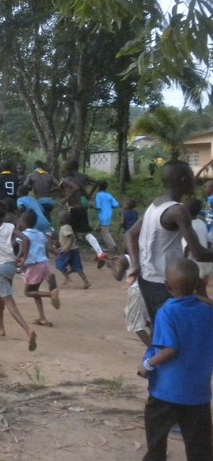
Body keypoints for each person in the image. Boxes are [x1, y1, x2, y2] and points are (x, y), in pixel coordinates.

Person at [137, 258, 213, 461]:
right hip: (198, 394)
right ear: (200, 283)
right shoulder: (207, 312)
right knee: (200, 448)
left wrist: (146, 365)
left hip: (166, 392)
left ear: (166, 285)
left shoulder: (168, 311)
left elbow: (169, 349)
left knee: (156, 442)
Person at [125, 159, 213, 326]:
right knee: (175, 330)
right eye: (192, 177)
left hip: (147, 280)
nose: (195, 182)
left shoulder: (156, 205)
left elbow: (130, 234)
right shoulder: (178, 210)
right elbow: (199, 253)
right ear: (183, 180)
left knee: (162, 329)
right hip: (166, 283)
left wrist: (136, 265)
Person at [0, 201, 38, 351]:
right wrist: (24, 258)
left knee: (9, 301)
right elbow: (26, 239)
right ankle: (0, 327)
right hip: (10, 266)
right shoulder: (10, 227)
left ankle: (28, 330)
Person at [59, 159, 107, 268]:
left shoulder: (66, 179)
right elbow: (86, 191)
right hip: (81, 207)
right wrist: (88, 195)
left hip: (74, 208)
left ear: (66, 168)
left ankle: (67, 257)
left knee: (66, 231)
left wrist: (65, 199)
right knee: (85, 232)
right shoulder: (78, 178)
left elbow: (71, 189)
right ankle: (100, 253)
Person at [18, 210, 60, 327]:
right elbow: (45, 248)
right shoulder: (41, 234)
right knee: (35, 292)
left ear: (23, 222)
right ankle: (42, 318)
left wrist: (18, 260)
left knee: (28, 292)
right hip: (44, 263)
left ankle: (50, 294)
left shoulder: (23, 235)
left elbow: (21, 251)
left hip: (34, 265)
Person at [109, 254, 152, 347]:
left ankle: (153, 349)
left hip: (136, 291)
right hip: (145, 288)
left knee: (136, 324)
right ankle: (154, 335)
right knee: (131, 313)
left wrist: (111, 265)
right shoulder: (142, 253)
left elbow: (118, 277)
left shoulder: (125, 259)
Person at [54, 210, 91, 289]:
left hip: (68, 250)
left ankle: (67, 277)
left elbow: (71, 237)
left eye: (59, 218)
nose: (58, 220)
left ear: (63, 220)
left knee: (59, 264)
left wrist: (67, 248)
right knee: (77, 266)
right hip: (74, 249)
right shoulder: (69, 226)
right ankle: (86, 281)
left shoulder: (64, 228)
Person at [94, 181, 120, 254]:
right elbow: (116, 204)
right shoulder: (108, 195)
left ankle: (112, 246)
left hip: (103, 215)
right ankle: (102, 243)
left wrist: (92, 206)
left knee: (105, 232)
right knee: (99, 230)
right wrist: (108, 207)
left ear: (99, 187)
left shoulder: (98, 195)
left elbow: (98, 207)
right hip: (108, 214)